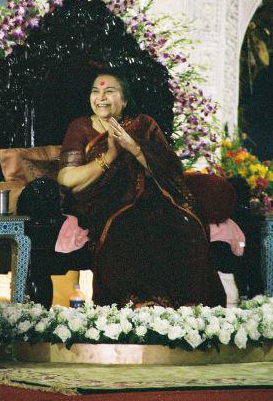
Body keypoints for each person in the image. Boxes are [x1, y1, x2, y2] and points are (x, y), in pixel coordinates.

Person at [57, 70, 226, 308]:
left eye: (109, 91)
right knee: (127, 225)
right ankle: (132, 303)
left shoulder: (144, 125)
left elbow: (170, 169)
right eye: (95, 91)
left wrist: (133, 147)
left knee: (178, 222)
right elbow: (66, 178)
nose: (101, 97)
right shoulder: (81, 127)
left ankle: (184, 307)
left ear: (125, 100)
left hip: (151, 196)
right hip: (102, 200)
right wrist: (111, 155)